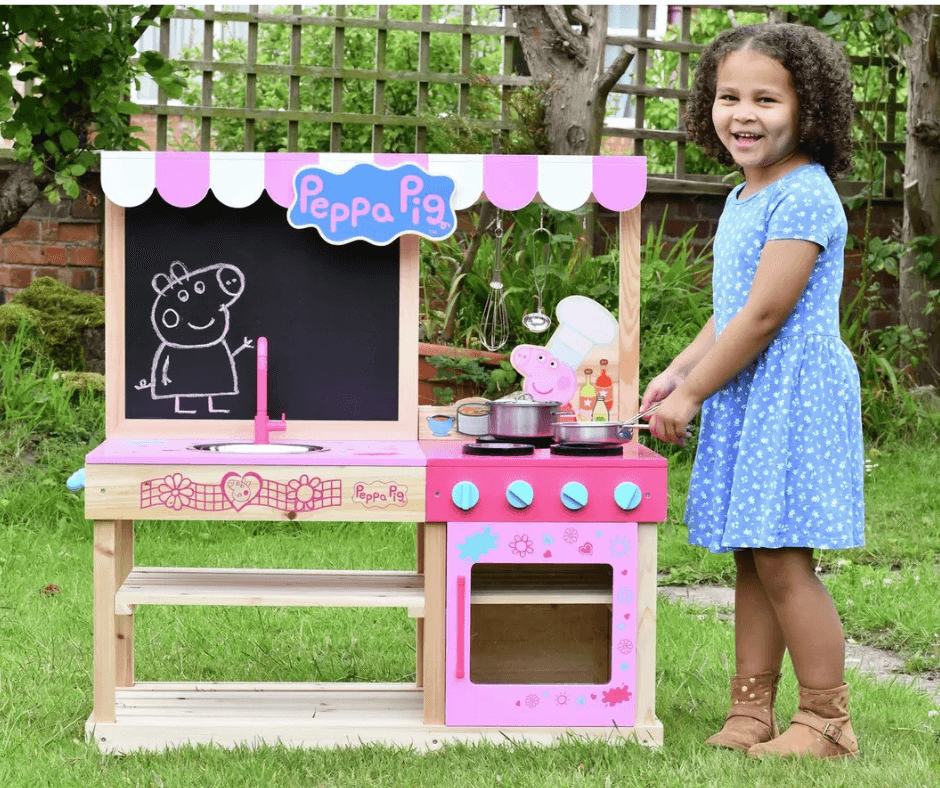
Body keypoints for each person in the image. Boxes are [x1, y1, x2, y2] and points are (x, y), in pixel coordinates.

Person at [640, 23, 863, 759]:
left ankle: (827, 721)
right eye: (729, 96)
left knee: (781, 558)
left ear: (809, 109)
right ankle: (752, 710)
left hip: (791, 391)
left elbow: (767, 315)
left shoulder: (805, 194)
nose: (744, 113)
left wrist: (693, 394)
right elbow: (733, 309)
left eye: (766, 99)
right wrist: (677, 369)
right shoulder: (746, 193)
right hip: (754, 390)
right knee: (750, 553)